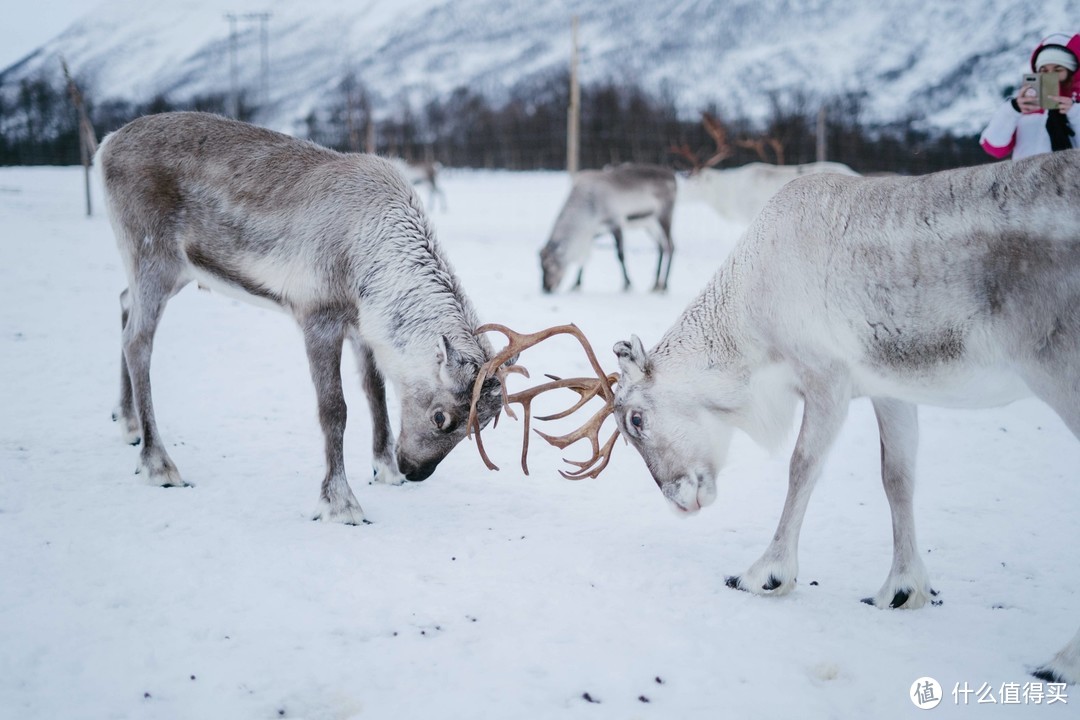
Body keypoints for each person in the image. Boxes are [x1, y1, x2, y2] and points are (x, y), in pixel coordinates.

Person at [981, 33, 1080, 159]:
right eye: (1043, 70)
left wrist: (1075, 113)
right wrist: (1012, 110)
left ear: (1072, 72)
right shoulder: (1025, 107)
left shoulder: (1077, 107)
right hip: (1024, 178)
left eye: (1058, 69)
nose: (1049, 75)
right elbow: (994, 147)